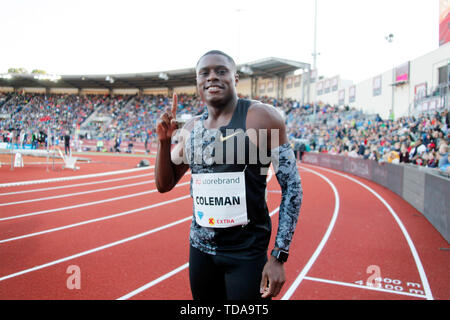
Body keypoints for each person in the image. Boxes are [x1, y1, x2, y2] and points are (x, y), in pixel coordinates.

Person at [155, 50, 302, 300]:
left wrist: (279, 255)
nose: (212, 77)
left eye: (221, 71)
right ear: (198, 83)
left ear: (235, 78)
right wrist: (163, 142)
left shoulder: (263, 118)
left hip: (246, 253)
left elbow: (292, 188)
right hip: (201, 251)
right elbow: (164, 184)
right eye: (205, 73)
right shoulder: (190, 129)